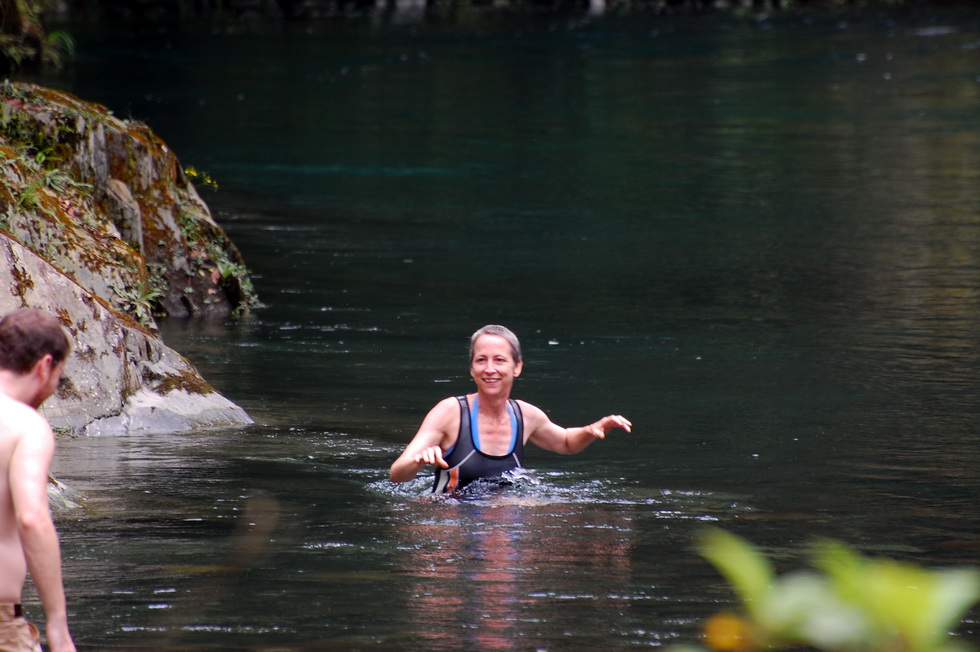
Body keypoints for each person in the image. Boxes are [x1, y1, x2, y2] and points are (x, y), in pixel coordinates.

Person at [390, 325, 632, 493]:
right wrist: (418, 461)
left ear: (517, 367)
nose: (490, 369)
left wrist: (591, 430)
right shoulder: (450, 412)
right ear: (472, 369)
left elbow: (566, 442)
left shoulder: (525, 415)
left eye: (500, 360)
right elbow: (397, 474)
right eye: (481, 360)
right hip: (451, 515)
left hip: (503, 517)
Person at [0, 308, 76, 652]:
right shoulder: (26, 425)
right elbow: (32, 518)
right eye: (58, 377)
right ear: (45, 366)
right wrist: (57, 626)